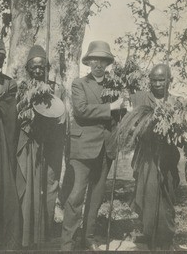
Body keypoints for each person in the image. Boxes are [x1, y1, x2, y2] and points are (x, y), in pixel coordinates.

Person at [61, 41, 124, 251]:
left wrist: (124, 108)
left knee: (96, 199)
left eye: (103, 60)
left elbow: (118, 116)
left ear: (107, 63)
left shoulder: (114, 86)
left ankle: (87, 239)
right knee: (76, 196)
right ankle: (67, 243)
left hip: (106, 149)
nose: (98, 64)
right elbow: (81, 110)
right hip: (83, 148)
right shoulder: (79, 84)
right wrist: (111, 106)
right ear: (88, 62)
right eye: (94, 59)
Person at [15, 45, 67, 248]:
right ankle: (29, 233)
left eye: (42, 67)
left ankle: (46, 230)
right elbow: (17, 116)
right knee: (32, 186)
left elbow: (63, 115)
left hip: (52, 143)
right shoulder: (22, 89)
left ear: (47, 68)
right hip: (31, 143)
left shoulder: (56, 88)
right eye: (34, 67)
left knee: (51, 185)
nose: (38, 71)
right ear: (28, 68)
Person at [129, 63, 181, 250]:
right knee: (149, 195)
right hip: (147, 156)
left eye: (162, 80)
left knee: (166, 196)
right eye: (154, 80)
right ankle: (149, 234)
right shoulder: (141, 98)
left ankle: (165, 238)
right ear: (149, 81)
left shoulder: (176, 102)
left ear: (169, 81)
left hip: (167, 157)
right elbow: (130, 121)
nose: (158, 84)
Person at [0, 36, 21, 249]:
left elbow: (9, 114)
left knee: (1, 188)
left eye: (0, 58)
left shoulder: (9, 83)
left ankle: (3, 239)